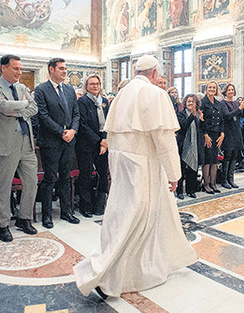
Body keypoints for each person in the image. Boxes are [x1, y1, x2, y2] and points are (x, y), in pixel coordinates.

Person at [73, 55, 197, 299]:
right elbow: (164, 139)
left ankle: (128, 267)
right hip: (144, 165)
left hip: (121, 163)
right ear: (154, 72)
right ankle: (107, 274)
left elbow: (114, 133)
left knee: (121, 216)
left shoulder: (123, 93)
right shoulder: (155, 94)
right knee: (137, 218)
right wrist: (174, 173)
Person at [0, 54, 38, 242]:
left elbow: (34, 108)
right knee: (3, 186)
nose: (19, 72)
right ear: (3, 68)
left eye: (21, 69)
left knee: (31, 182)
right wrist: (23, 104)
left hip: (26, 142)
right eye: (15, 69)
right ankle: (3, 224)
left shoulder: (22, 87)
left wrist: (16, 110)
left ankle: (24, 218)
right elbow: (1, 105)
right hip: (4, 142)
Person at [35, 57, 80, 229]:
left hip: (69, 141)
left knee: (66, 177)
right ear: (51, 69)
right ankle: (47, 216)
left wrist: (73, 131)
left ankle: (67, 212)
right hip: (51, 141)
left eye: (65, 68)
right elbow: (43, 116)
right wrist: (61, 132)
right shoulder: (41, 90)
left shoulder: (69, 90)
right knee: (50, 178)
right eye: (61, 68)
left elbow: (76, 113)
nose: (64, 71)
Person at [75, 74, 109, 217]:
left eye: (97, 83)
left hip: (103, 144)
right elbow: (83, 125)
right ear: (87, 87)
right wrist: (98, 141)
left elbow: (108, 122)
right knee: (86, 176)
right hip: (87, 144)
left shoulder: (105, 102)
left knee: (103, 175)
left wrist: (105, 141)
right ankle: (86, 205)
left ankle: (99, 204)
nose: (95, 86)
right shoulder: (82, 102)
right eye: (92, 84)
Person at [175, 94, 205, 199]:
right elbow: (183, 126)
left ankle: (191, 190)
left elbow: (200, 131)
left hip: (194, 146)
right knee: (181, 170)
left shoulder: (197, 115)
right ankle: (179, 191)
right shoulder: (180, 114)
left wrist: (201, 120)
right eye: (188, 101)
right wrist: (192, 115)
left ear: (196, 104)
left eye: (193, 101)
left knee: (193, 169)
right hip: (183, 145)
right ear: (185, 103)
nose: (190, 103)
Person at [220, 83, 244, 189]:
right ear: (225, 91)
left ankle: (231, 179)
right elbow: (228, 115)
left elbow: (242, 115)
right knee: (228, 156)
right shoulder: (223, 103)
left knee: (235, 155)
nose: (231, 91)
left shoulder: (236, 102)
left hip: (236, 132)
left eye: (232, 89)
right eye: (229, 90)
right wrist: (240, 108)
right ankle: (224, 180)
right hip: (228, 132)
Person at [200, 81, 224, 193]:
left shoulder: (218, 103)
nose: (212, 89)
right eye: (210, 87)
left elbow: (222, 119)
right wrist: (205, 134)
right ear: (206, 89)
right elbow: (201, 120)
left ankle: (214, 184)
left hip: (217, 134)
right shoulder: (202, 102)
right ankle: (206, 184)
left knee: (214, 160)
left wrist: (222, 133)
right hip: (207, 135)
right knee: (207, 160)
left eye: (214, 87)